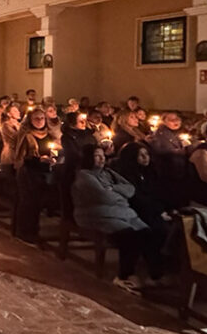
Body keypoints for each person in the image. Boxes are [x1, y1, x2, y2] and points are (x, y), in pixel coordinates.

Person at [73, 145, 164, 292]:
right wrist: (118, 195)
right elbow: (103, 196)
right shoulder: (84, 176)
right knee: (130, 235)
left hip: (122, 212)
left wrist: (113, 190)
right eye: (97, 156)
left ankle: (153, 273)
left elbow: (130, 188)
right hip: (98, 214)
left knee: (148, 232)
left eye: (103, 155)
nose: (102, 158)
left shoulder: (108, 173)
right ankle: (124, 275)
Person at [13, 108, 58, 242]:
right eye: (36, 119)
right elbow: (21, 156)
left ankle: (35, 230)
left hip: (43, 172)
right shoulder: (26, 135)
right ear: (30, 120)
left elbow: (55, 149)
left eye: (42, 118)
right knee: (28, 203)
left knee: (38, 203)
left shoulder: (49, 135)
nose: (39, 121)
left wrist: (53, 157)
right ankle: (24, 231)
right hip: (28, 172)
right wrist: (38, 159)